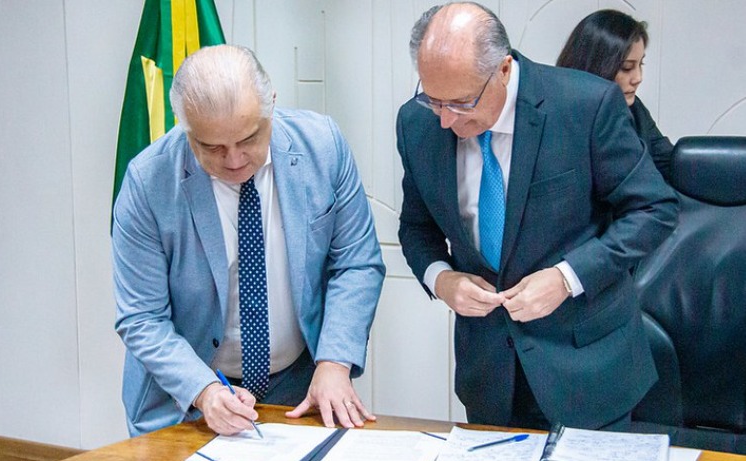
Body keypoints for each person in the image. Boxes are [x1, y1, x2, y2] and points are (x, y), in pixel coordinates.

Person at [396, 2, 678, 431]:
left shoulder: (584, 105)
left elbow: (653, 208)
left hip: (589, 371)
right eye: (433, 100)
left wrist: (567, 278)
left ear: (503, 70)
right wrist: (442, 279)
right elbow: (416, 228)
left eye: (461, 103)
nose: (446, 120)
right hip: (490, 376)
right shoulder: (416, 125)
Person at [112, 44, 385, 437]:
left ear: (271, 104)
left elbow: (356, 262)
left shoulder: (322, 147)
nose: (235, 159)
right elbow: (142, 318)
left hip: (299, 386)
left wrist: (334, 362)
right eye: (212, 147)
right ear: (185, 127)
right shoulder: (149, 183)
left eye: (249, 138)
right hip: (186, 396)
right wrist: (204, 391)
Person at [557, 9, 674, 182]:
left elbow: (669, 162)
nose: (638, 78)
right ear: (595, 66)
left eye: (640, 64)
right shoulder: (559, 119)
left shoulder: (635, 109)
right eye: (627, 68)